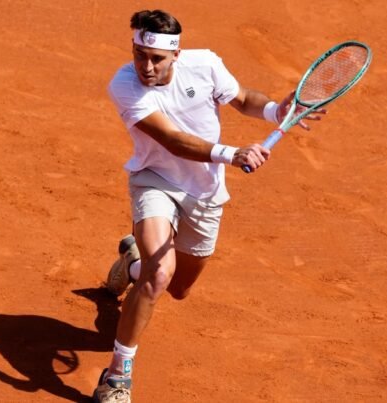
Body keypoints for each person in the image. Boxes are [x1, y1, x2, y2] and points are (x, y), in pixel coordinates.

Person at [93, 9, 325, 403]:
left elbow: (244, 99)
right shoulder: (125, 85)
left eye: (156, 59)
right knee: (159, 274)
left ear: (176, 55)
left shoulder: (205, 65)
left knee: (178, 287)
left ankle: (130, 263)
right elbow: (172, 140)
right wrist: (232, 154)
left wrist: (274, 111)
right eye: (138, 54)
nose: (145, 66)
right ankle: (117, 378)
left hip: (204, 194)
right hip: (156, 180)